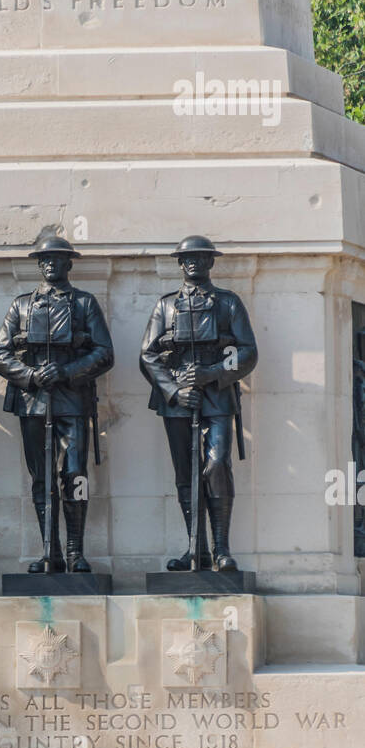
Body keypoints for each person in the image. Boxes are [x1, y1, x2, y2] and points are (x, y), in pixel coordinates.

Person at [0, 236, 114, 573]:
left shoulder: (85, 303)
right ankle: (51, 550)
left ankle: (75, 550)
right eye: (45, 259)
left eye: (57, 259)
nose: (50, 264)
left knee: (75, 473)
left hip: (72, 400)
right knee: (41, 478)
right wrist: (30, 376)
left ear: (68, 263)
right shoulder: (21, 305)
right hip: (33, 402)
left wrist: (66, 372)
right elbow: (0, 354)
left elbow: (104, 353)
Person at [139, 235, 258, 572]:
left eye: (200, 257)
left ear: (211, 262)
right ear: (180, 263)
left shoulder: (228, 302)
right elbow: (147, 356)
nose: (193, 262)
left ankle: (222, 548)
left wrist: (213, 373)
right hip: (178, 399)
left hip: (217, 396)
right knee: (186, 474)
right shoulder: (166, 305)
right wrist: (175, 391)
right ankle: (196, 548)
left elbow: (247, 352)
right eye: (187, 257)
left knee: (217, 464)